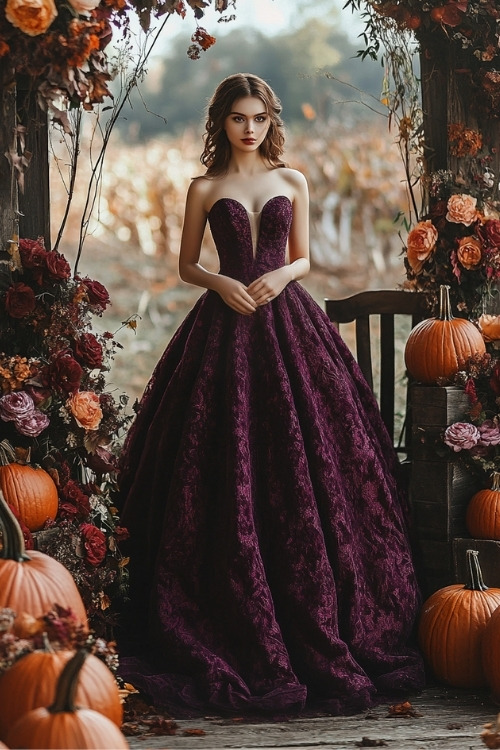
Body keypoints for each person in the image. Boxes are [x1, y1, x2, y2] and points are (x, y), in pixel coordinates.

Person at [117, 73, 425, 716]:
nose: (249, 128)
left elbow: (305, 257)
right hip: (225, 322)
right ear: (221, 123)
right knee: (223, 451)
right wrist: (222, 285)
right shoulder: (206, 188)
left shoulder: (293, 180)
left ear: (269, 121)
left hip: (288, 316)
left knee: (312, 452)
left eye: (258, 117)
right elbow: (186, 265)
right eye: (237, 118)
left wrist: (280, 274)